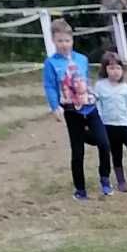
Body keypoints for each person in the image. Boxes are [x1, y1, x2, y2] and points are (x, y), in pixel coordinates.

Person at [41, 20, 111, 200]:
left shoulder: (82, 59)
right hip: (72, 111)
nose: (64, 45)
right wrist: (54, 106)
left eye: (67, 40)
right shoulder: (51, 63)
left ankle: (105, 179)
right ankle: (80, 190)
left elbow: (86, 80)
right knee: (77, 151)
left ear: (72, 40)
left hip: (89, 107)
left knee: (103, 143)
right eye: (60, 41)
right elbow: (50, 86)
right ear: (54, 42)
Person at [92, 53, 127, 192]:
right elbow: (97, 105)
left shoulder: (125, 88)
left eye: (118, 68)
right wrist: (99, 123)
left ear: (122, 70)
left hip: (125, 125)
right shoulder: (100, 86)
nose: (115, 71)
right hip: (109, 126)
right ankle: (121, 181)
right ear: (105, 69)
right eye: (111, 68)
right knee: (116, 154)